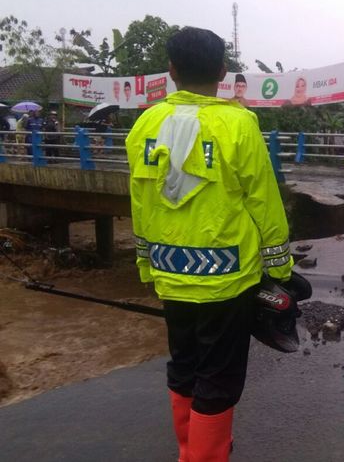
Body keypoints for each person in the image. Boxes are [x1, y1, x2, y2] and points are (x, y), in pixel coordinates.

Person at [125, 26, 293, 461]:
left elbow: (140, 202)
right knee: (218, 380)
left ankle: (190, 449)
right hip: (225, 280)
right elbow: (265, 203)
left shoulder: (145, 123)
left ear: (171, 70)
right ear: (222, 72)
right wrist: (280, 270)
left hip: (168, 273)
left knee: (183, 367)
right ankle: (205, 455)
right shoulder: (238, 123)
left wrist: (146, 266)